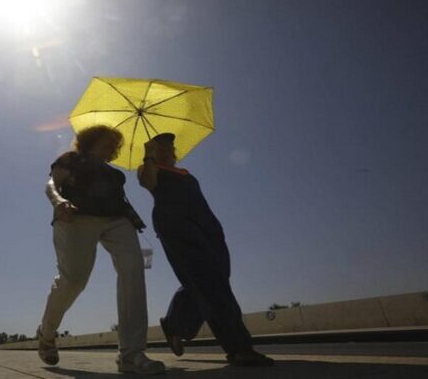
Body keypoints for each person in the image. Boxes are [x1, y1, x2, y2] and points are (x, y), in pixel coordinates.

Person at [37, 125, 166, 374]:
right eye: (110, 141)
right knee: (73, 281)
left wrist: (149, 155)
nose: (114, 147)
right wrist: (59, 201)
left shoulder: (114, 173)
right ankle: (47, 334)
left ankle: (131, 353)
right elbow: (51, 183)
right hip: (76, 217)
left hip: (117, 221)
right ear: (92, 140)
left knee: (133, 270)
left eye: (116, 144)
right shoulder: (72, 159)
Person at [137, 133, 274, 367]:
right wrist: (148, 155)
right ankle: (239, 347)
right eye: (161, 146)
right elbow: (147, 183)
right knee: (212, 283)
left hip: (207, 226)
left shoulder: (185, 173)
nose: (168, 149)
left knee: (212, 278)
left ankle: (175, 323)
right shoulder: (149, 168)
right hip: (177, 225)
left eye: (170, 145)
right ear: (153, 149)